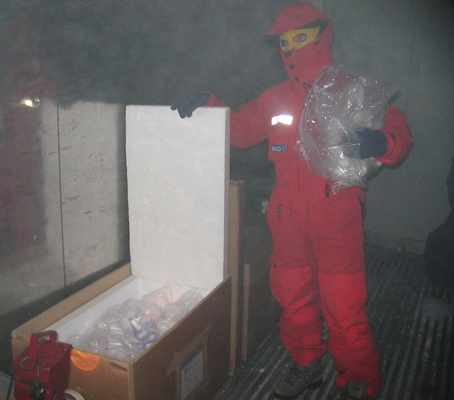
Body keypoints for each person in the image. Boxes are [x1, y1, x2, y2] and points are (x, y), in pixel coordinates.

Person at [171, 2, 412, 400]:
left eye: (299, 37)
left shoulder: (352, 88)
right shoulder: (276, 97)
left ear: (322, 35)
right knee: (293, 297)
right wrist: (207, 107)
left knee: (344, 305)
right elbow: (242, 127)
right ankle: (307, 366)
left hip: (337, 214)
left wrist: (382, 141)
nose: (290, 47)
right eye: (284, 41)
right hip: (287, 217)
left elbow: (397, 130)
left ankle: (356, 379)